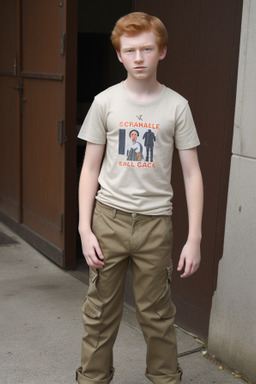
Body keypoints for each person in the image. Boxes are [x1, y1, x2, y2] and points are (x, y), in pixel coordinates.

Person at [76, 11, 203, 384]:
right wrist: (85, 228)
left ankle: (165, 378)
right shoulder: (105, 102)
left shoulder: (177, 106)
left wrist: (193, 237)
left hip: (154, 225)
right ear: (119, 55)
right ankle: (92, 380)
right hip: (108, 220)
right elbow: (89, 169)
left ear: (161, 51)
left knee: (158, 314)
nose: (139, 58)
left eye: (147, 48)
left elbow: (192, 173)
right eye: (130, 50)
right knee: (99, 312)